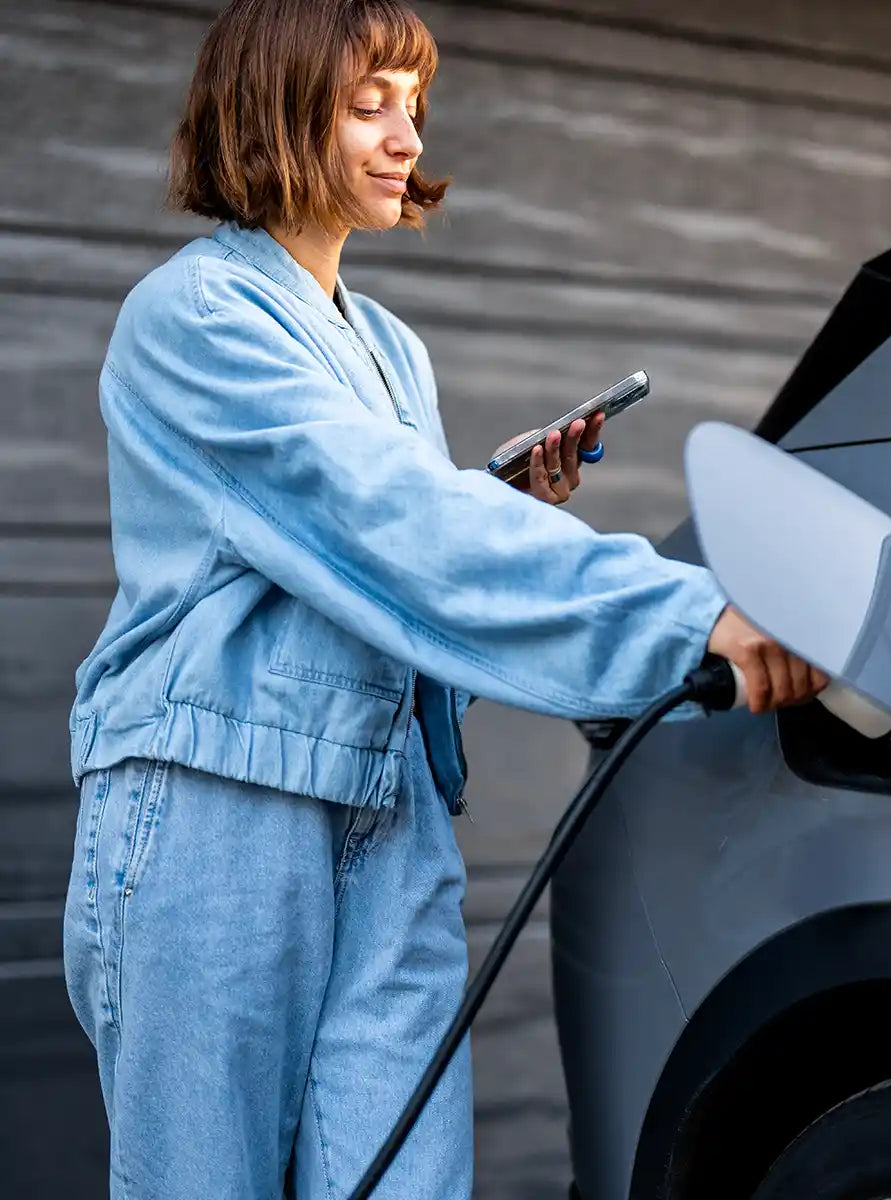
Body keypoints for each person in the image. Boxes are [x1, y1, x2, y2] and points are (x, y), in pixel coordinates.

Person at [61, 1, 827, 1196]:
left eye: (413, 104)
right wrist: (688, 619)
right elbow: (393, 529)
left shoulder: (391, 347)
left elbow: (379, 537)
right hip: (222, 815)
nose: (406, 135)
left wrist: (498, 495)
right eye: (369, 104)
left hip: (392, 815)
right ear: (270, 108)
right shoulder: (196, 316)